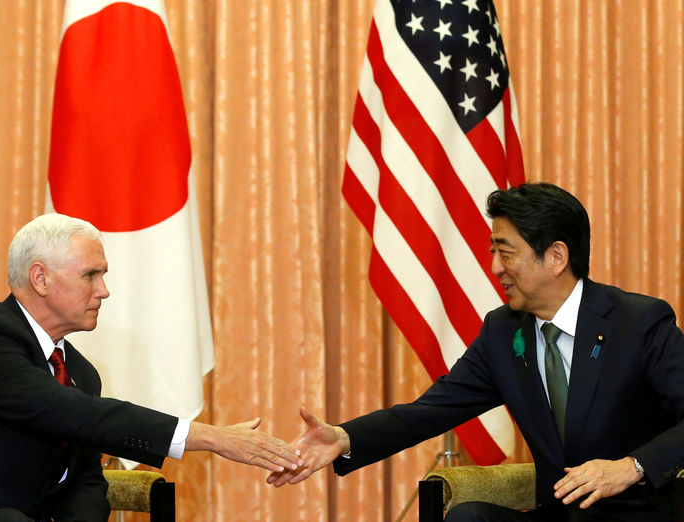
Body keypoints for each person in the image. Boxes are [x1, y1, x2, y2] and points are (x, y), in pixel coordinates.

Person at [267, 183, 684, 521]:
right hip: (558, 515)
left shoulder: (638, 322)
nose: (496, 268)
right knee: (468, 517)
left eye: (506, 253)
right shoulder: (504, 333)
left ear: (556, 256)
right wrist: (343, 438)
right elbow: (431, 410)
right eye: (493, 253)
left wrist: (630, 467)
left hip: (638, 512)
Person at [0, 213, 302, 522]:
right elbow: (67, 411)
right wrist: (210, 438)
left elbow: (85, 479)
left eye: (103, 275)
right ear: (40, 278)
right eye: (91, 275)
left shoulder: (81, 371)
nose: (104, 291)